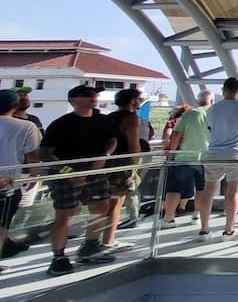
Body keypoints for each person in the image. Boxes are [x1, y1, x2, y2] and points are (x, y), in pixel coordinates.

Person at [40, 85, 117, 276]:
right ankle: (58, 257)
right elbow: (46, 153)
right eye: (87, 95)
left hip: (95, 171)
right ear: (73, 100)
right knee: (65, 214)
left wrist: (104, 156)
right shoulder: (61, 124)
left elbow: (112, 141)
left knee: (101, 207)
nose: (93, 97)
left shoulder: (103, 120)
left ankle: (90, 246)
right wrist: (69, 172)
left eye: (94, 94)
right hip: (66, 174)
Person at [198, 77, 238, 241]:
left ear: (223, 89)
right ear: (237, 90)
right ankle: (229, 230)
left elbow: (210, 127)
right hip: (237, 153)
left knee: (208, 190)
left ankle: (204, 229)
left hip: (214, 152)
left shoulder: (212, 109)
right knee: (233, 191)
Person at [0, 89, 41, 274]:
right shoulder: (26, 126)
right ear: (15, 106)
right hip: (8, 183)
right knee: (2, 224)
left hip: (7, 182)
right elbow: (32, 155)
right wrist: (35, 175)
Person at [102, 87, 143, 254]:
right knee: (116, 204)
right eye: (139, 99)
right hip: (122, 165)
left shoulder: (110, 117)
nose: (140, 101)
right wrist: (135, 162)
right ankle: (108, 240)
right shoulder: (131, 119)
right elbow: (134, 146)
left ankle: (104, 238)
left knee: (108, 203)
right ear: (132, 101)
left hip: (106, 164)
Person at [163, 90, 212, 227]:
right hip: (206, 158)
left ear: (198, 101)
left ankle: (169, 217)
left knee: (174, 188)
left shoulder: (189, 114)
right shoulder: (216, 115)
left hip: (183, 157)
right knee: (202, 189)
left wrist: (172, 152)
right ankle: (197, 216)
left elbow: (176, 134)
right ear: (212, 101)